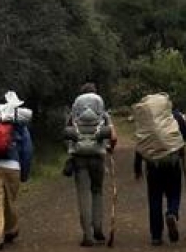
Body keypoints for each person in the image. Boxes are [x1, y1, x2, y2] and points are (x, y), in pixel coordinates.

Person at [133, 94, 186, 245]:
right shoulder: (175, 117)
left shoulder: (146, 121)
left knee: (155, 198)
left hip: (153, 165)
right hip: (172, 161)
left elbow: (142, 143)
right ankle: (172, 213)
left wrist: (137, 167)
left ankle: (156, 236)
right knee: (174, 191)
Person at [0, 91, 34, 251]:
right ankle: (10, 230)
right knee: (10, 200)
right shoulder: (19, 125)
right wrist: (24, 173)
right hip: (13, 166)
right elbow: (27, 150)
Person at [66, 82, 117, 247]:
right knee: (97, 192)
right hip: (97, 157)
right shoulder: (102, 111)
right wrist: (109, 147)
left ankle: (87, 236)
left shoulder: (74, 112)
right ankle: (98, 230)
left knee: (83, 196)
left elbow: (67, 134)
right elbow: (113, 136)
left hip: (79, 158)